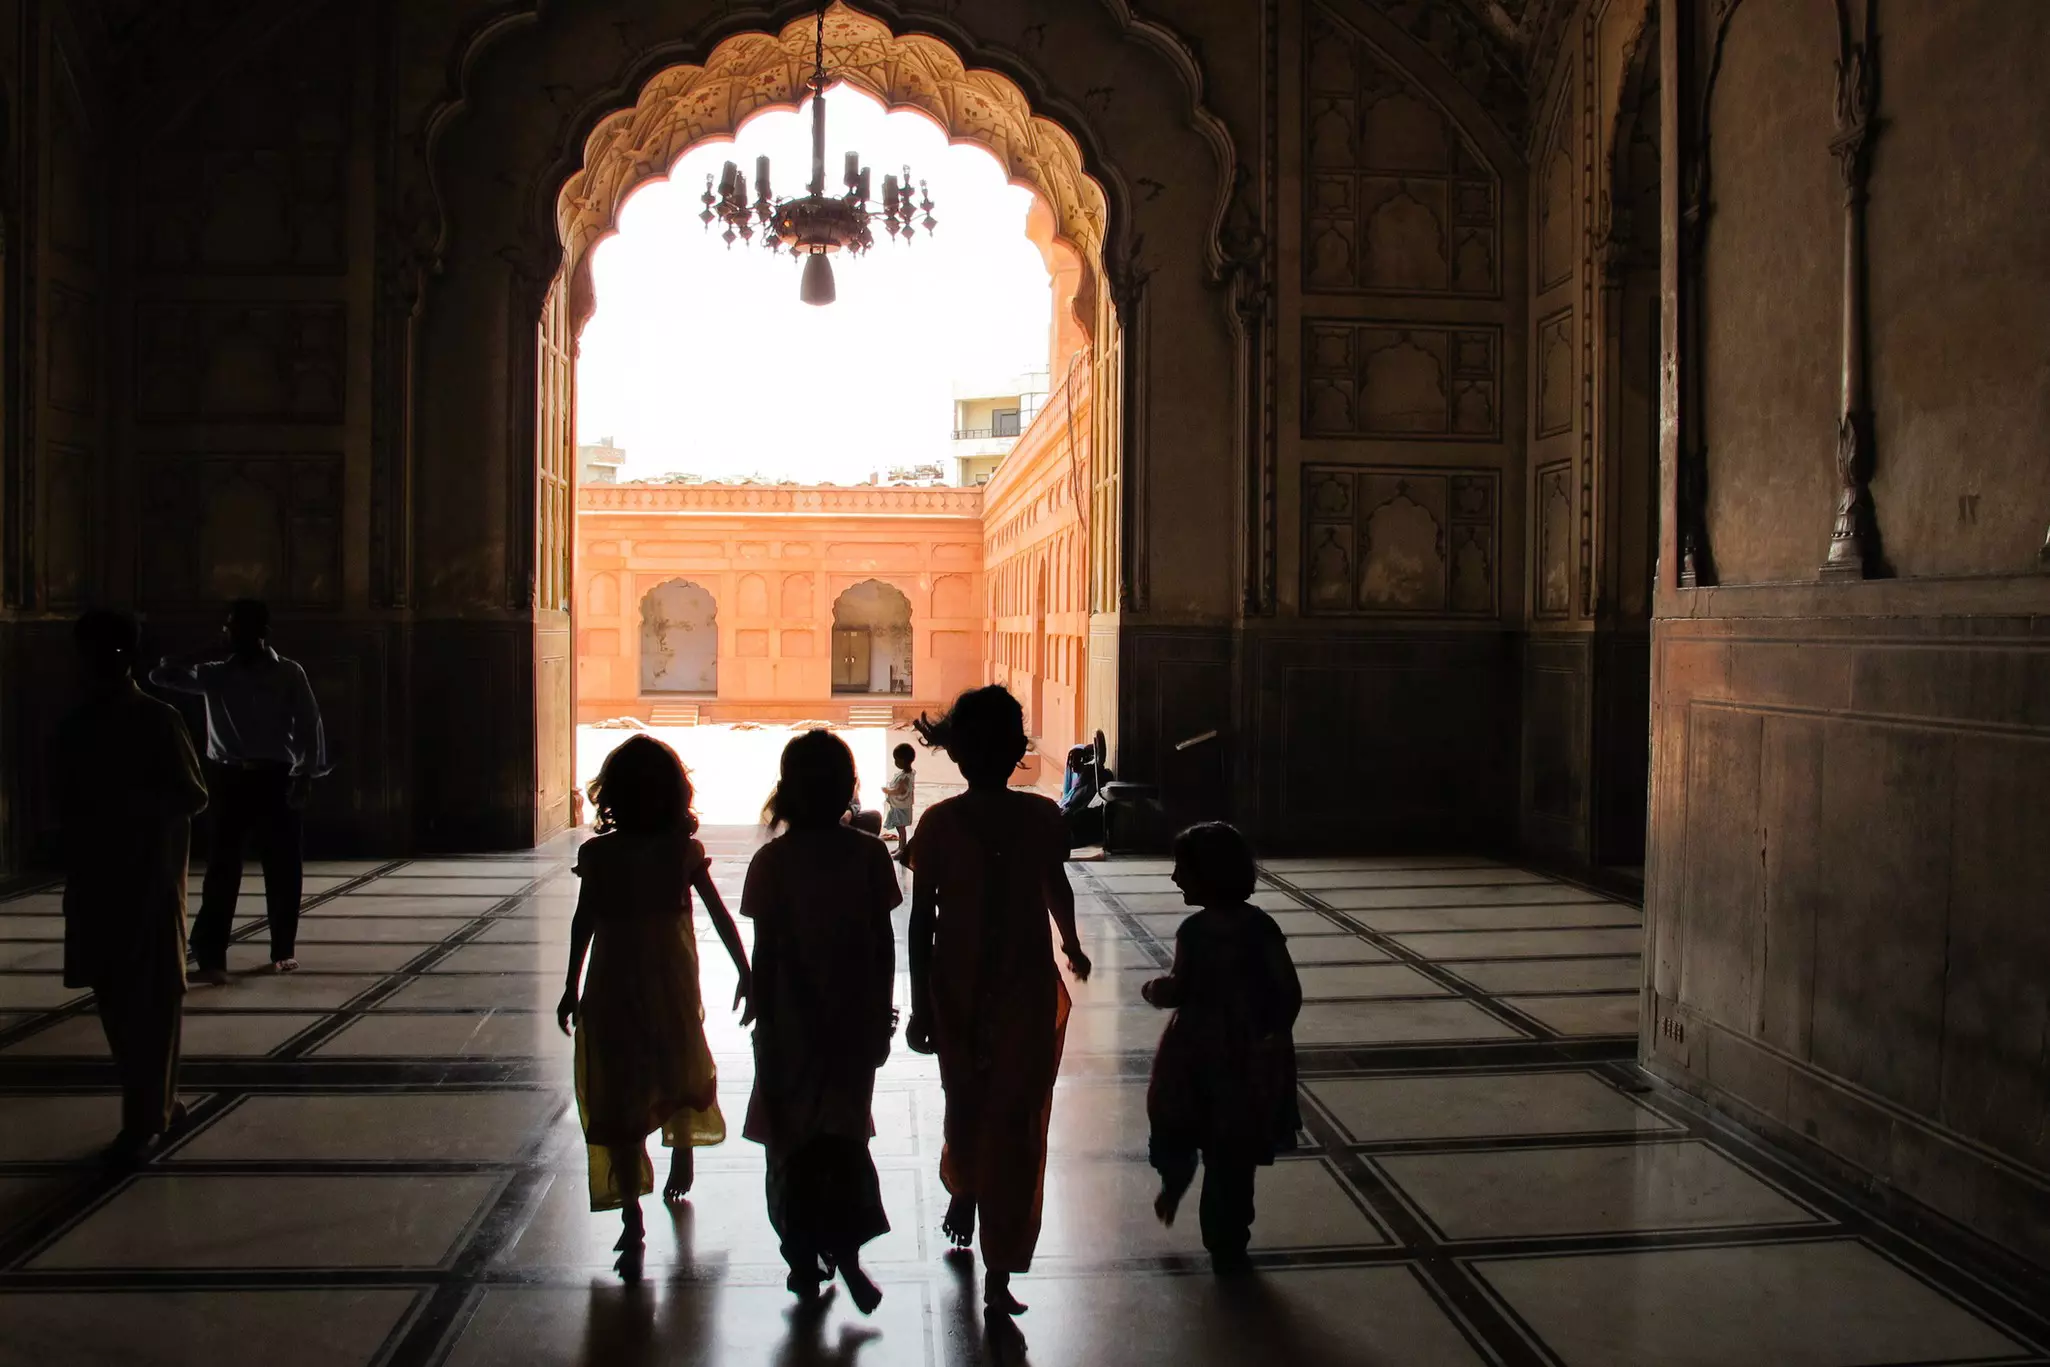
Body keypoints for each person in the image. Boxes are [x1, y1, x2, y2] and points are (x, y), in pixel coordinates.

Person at [904, 685, 1091, 1318]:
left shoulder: (1014, 821)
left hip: (1007, 990)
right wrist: (922, 1005)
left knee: (1007, 1112)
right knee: (989, 1109)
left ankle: (1000, 1260)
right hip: (973, 992)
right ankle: (968, 1188)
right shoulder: (946, 825)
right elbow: (920, 920)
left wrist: (1069, 940)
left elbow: (1051, 884)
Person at [555, 735, 753, 1275]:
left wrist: (571, 986)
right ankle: (680, 1146)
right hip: (669, 985)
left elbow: (584, 923)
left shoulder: (599, 855)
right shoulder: (677, 853)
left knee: (617, 1089)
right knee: (676, 1065)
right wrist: (745, 970)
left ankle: (631, 1217)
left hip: (613, 989)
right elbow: (718, 916)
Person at [741, 730, 902, 1313]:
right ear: (848, 791)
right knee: (843, 1141)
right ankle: (851, 1257)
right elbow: (883, 945)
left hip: (791, 1029)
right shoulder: (867, 854)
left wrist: (762, 1010)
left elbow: (767, 951)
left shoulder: (771, 861)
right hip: (851, 1027)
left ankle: (803, 1263)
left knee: (792, 1148)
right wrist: (882, 1016)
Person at [56, 611, 209, 1163]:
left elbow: (190, 795)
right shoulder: (129, 721)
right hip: (125, 879)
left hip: (128, 879)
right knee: (136, 999)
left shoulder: (123, 723)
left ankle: (147, 1110)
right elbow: (191, 795)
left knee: (135, 999)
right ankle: (154, 1106)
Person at [1141, 822, 1303, 1273]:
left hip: (1195, 1052)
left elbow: (1180, 986)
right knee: (1233, 1155)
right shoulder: (1262, 927)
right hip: (1247, 1058)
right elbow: (1288, 991)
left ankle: (1175, 1179)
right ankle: (1227, 1239)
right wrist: (1271, 1037)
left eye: (1182, 870)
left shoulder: (1194, 932)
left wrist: (1156, 990)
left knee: (1178, 1121)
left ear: (1206, 875)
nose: (1175, 878)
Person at [149, 599, 327, 981]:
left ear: (260, 632)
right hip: (229, 778)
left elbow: (310, 725)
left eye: (237, 629)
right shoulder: (214, 673)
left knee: (282, 866)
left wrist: (304, 776)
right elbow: (159, 676)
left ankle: (283, 949)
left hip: (275, 776)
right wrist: (203, 652)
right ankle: (211, 954)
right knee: (222, 868)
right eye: (229, 628)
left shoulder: (288, 673)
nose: (231, 635)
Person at [1058, 732, 1112, 849]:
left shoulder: (1094, 777)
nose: (1072, 766)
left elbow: (1075, 806)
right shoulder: (1086, 778)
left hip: (1083, 825)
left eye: (1076, 761)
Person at [880, 742, 917, 864]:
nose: (895, 762)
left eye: (897, 760)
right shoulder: (905, 774)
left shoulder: (905, 777)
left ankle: (902, 849)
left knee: (901, 829)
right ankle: (900, 847)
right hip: (899, 806)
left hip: (901, 807)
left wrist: (888, 791)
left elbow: (900, 790)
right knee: (899, 828)